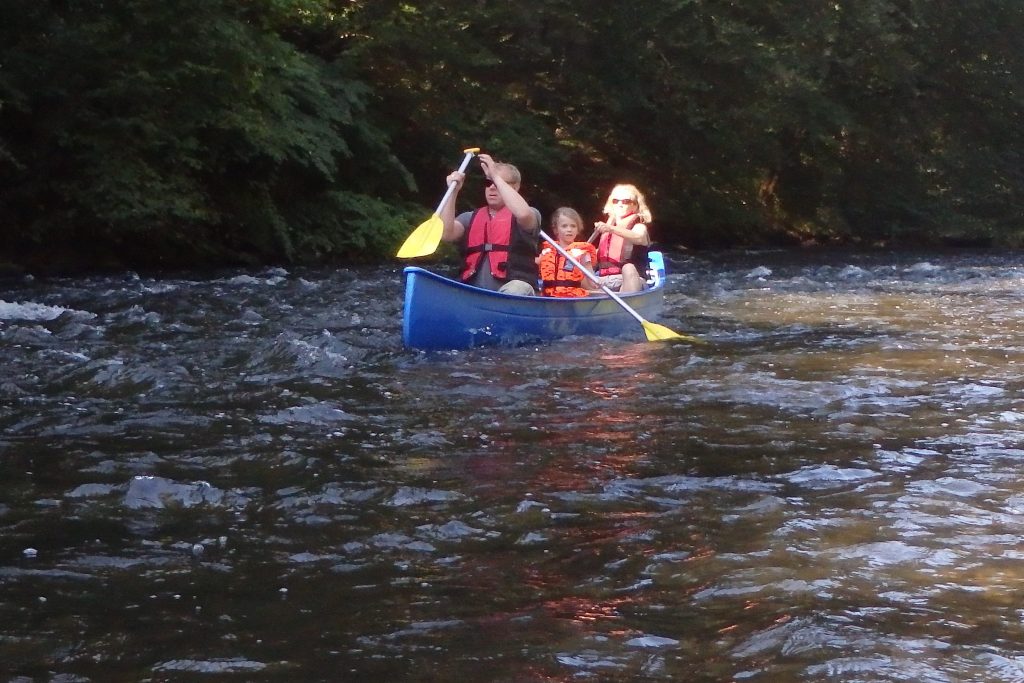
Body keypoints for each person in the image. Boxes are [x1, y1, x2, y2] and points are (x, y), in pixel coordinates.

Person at [439, 153, 541, 295]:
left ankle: (500, 313)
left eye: (498, 183)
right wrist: (453, 192)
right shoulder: (469, 218)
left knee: (517, 288)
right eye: (488, 182)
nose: (492, 187)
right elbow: (445, 234)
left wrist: (495, 176)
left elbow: (523, 214)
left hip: (517, 289)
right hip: (475, 292)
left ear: (516, 187)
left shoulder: (530, 214)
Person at [592, 183, 652, 293]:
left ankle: (627, 301)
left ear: (635, 205)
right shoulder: (607, 227)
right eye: (616, 201)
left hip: (630, 280)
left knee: (628, 268)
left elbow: (638, 237)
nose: (620, 204)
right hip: (602, 281)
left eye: (625, 201)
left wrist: (611, 228)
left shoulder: (639, 226)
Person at [538, 208, 599, 297]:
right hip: (548, 296)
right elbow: (534, 267)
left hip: (572, 297)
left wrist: (596, 283)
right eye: (564, 226)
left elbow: (591, 280)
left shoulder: (582, 253)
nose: (569, 229)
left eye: (573, 226)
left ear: (578, 229)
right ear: (556, 229)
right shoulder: (547, 251)